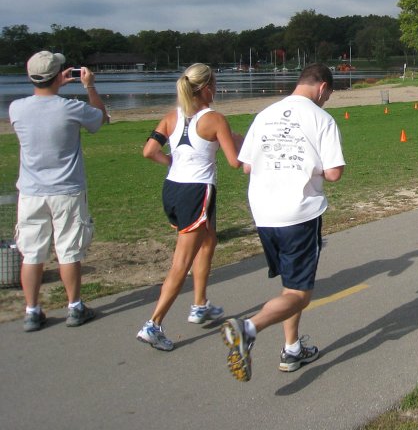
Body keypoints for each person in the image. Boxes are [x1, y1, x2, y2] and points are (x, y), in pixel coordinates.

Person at [220, 64, 345, 381]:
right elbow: (334, 173)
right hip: (299, 213)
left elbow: (246, 167)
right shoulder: (321, 120)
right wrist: (310, 167)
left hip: (263, 212)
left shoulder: (264, 115)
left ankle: (292, 349)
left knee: (290, 286)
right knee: (300, 294)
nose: (327, 100)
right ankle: (248, 328)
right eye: (328, 94)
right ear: (322, 88)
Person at [136, 64, 243, 351]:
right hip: (196, 192)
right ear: (206, 88)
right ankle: (154, 324)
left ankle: (199, 304)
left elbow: (149, 150)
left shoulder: (172, 116)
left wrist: (170, 161)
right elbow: (234, 161)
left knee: (209, 239)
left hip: (172, 190)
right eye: (215, 84)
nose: (217, 89)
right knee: (181, 262)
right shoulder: (215, 119)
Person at [9, 51, 108, 332]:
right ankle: (75, 306)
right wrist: (89, 86)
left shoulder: (17, 108)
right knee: (68, 250)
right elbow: (100, 119)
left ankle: (32, 310)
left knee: (32, 253)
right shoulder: (69, 108)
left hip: (30, 191)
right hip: (66, 189)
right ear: (58, 74)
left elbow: (41, 109)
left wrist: (54, 86)